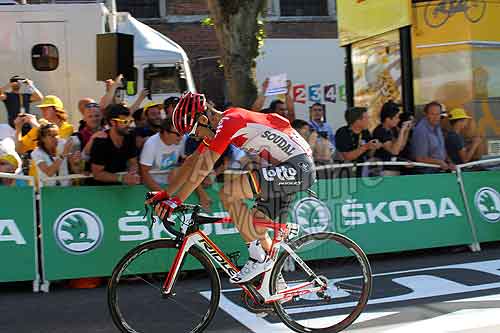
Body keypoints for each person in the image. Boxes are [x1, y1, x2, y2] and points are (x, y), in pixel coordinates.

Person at [146, 92, 315, 284]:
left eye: (193, 133)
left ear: (203, 119)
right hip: (284, 168)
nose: (194, 138)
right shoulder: (217, 127)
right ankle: (274, 285)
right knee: (257, 228)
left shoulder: (230, 121)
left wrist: (176, 201)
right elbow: (192, 162)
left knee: (227, 192)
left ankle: (256, 258)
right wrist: (166, 194)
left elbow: (203, 168)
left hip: (298, 167)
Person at [90, 104, 140, 186]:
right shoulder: (100, 142)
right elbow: (97, 174)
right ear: (112, 122)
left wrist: (132, 174)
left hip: (121, 187)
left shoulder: (130, 136)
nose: (129, 125)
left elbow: (133, 162)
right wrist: (122, 178)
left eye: (130, 121)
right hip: (100, 190)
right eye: (125, 122)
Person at [140, 118, 185, 191]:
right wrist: (162, 193)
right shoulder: (151, 144)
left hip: (172, 183)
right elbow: (144, 174)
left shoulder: (181, 139)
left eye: (183, 133)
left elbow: (185, 161)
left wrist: (178, 168)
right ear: (165, 133)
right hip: (152, 184)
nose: (182, 137)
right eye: (178, 134)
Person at [31, 122, 81, 187]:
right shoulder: (36, 153)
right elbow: (49, 172)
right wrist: (63, 155)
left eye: (56, 134)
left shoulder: (63, 144)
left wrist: (76, 162)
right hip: (47, 192)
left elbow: (76, 170)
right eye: (51, 136)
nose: (55, 138)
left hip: (66, 189)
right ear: (43, 138)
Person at [410, 101, 454, 172]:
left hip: (439, 171)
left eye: (438, 114)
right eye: (432, 114)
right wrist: (439, 162)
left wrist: (449, 162)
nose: (436, 117)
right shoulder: (421, 131)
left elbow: (441, 150)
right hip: (426, 174)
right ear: (426, 114)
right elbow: (420, 158)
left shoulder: (437, 126)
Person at [372, 101, 412, 176]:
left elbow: (401, 146)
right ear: (388, 119)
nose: (399, 120)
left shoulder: (393, 129)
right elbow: (394, 151)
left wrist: (406, 131)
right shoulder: (381, 131)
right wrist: (402, 130)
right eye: (396, 117)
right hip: (383, 171)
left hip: (393, 169)